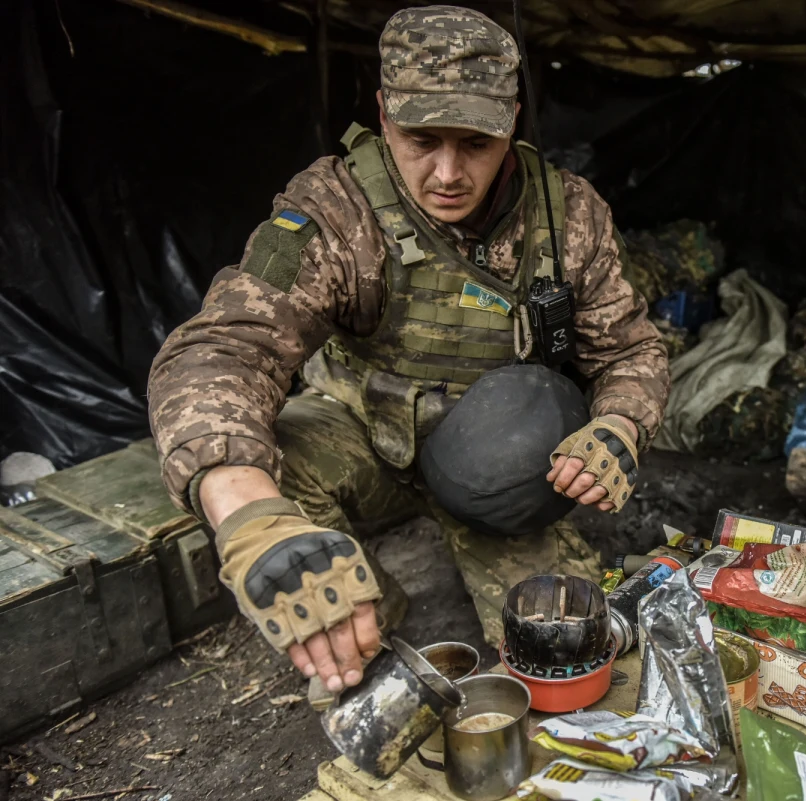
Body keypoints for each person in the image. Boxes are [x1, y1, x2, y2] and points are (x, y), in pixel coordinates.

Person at [147, 5, 668, 698]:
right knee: (260, 454)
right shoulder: (337, 209)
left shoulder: (567, 214)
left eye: (476, 143)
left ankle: (485, 534)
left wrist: (621, 423)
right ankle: (363, 604)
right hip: (369, 434)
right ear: (384, 113)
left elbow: (629, 348)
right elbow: (223, 347)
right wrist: (246, 511)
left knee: (565, 648)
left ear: (511, 119)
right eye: (422, 139)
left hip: (498, 463)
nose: (447, 172)